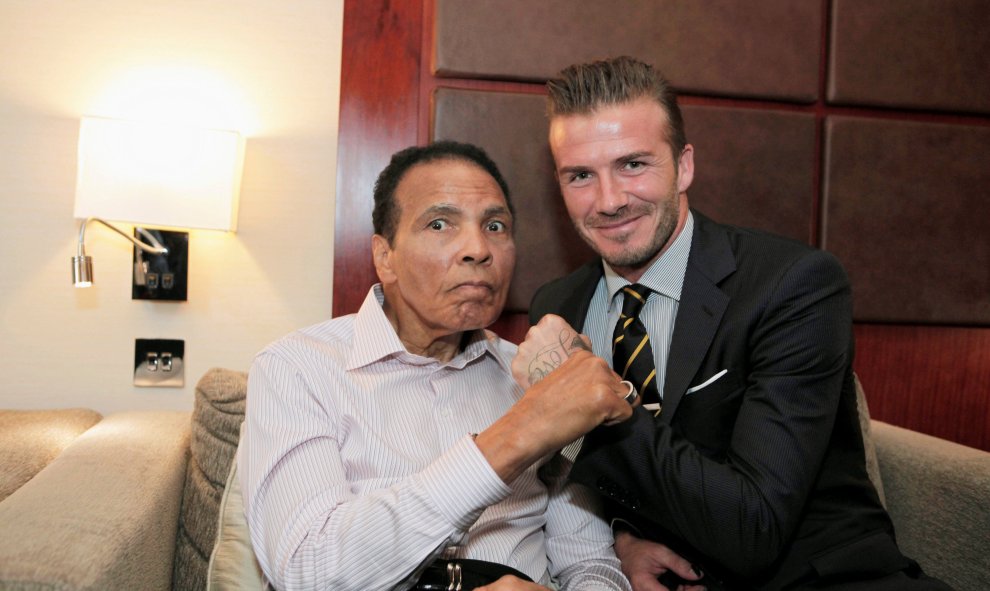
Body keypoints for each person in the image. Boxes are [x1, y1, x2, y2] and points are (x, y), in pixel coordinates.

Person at [518, 56, 951, 590]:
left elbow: (754, 528)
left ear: (684, 166)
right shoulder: (557, 308)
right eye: (580, 175)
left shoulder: (793, 285)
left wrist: (591, 397)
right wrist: (621, 541)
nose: (609, 200)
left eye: (633, 164)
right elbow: (574, 483)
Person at [238, 140, 635, 591]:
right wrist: (521, 432)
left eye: (496, 225)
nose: (477, 249)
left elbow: (593, 568)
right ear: (384, 256)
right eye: (440, 223)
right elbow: (307, 572)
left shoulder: (535, 376)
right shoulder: (298, 369)